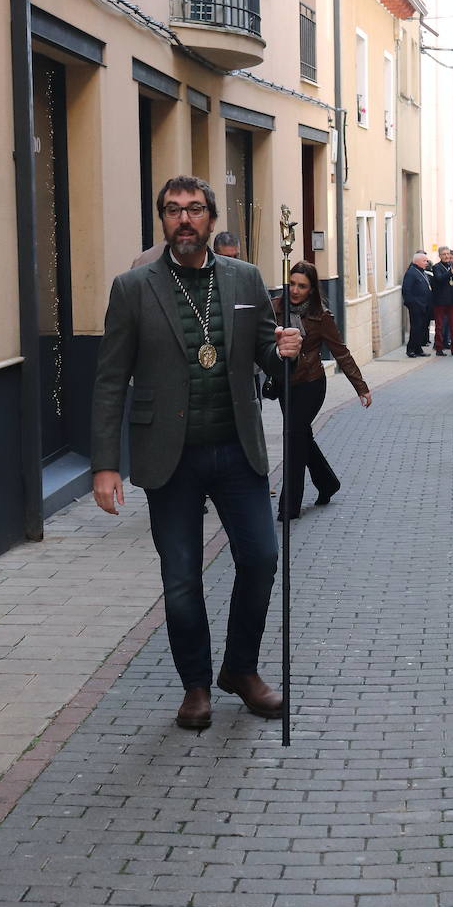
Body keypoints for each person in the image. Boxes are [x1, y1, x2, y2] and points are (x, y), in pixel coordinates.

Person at [91, 175, 302, 731]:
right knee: (182, 578)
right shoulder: (132, 288)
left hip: (237, 450)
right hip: (170, 457)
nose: (184, 219)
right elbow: (110, 380)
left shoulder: (244, 277)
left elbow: (265, 353)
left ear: (211, 218)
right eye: (173, 210)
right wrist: (105, 464)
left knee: (260, 558)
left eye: (195, 209)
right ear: (162, 219)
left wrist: (285, 347)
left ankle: (240, 668)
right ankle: (196, 686)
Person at [272, 260, 371, 521]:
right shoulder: (275, 308)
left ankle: (289, 506)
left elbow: (341, 352)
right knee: (300, 436)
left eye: (302, 286)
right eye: (293, 284)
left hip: (311, 384)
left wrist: (361, 387)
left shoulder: (321, 316)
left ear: (312, 289)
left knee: (293, 439)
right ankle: (327, 483)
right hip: (285, 385)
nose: (295, 290)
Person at [402, 250, 433, 357]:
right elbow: (406, 290)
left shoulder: (421, 271)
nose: (426, 263)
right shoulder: (411, 273)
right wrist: (413, 304)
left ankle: (418, 349)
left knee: (422, 328)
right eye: (424, 261)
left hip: (424, 305)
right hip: (416, 306)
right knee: (416, 328)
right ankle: (410, 349)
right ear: (417, 262)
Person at [431, 246, 453, 355]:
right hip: (440, 301)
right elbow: (439, 279)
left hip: (452, 301)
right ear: (440, 256)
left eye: (448, 254)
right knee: (440, 326)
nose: (447, 256)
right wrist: (451, 272)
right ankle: (439, 348)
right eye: (444, 254)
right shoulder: (436, 267)